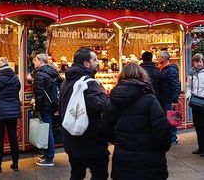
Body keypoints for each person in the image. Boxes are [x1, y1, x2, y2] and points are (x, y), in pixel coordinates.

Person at [106, 63, 172, 180]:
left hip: (124, 157)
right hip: (150, 158)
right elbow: (161, 128)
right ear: (142, 76)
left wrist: (120, 141)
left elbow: (106, 129)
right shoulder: (149, 98)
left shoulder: (113, 100)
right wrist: (163, 146)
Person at [60, 47, 109, 180]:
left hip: (71, 138)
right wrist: (104, 95)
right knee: (100, 174)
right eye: (94, 59)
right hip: (90, 141)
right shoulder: (90, 84)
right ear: (86, 64)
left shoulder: (66, 81)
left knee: (76, 174)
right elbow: (96, 108)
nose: (97, 62)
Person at [32, 53, 60, 167]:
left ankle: (49, 158)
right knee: (48, 130)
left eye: (35, 60)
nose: (34, 62)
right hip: (52, 105)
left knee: (47, 131)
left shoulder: (40, 74)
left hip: (44, 106)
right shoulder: (52, 72)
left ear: (41, 61)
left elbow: (39, 93)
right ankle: (47, 154)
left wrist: (37, 108)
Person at [158, 51, 180, 145]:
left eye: (159, 57)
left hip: (168, 99)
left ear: (163, 58)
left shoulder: (171, 70)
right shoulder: (162, 69)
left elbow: (175, 84)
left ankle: (173, 138)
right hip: (163, 98)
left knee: (172, 118)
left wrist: (174, 99)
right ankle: (169, 137)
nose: (158, 58)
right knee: (167, 119)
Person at [186, 53, 204, 156]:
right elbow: (189, 86)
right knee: (197, 125)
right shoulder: (191, 73)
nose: (199, 64)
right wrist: (189, 96)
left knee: (203, 125)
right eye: (197, 62)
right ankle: (200, 147)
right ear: (193, 62)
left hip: (203, 102)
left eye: (200, 62)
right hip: (195, 103)